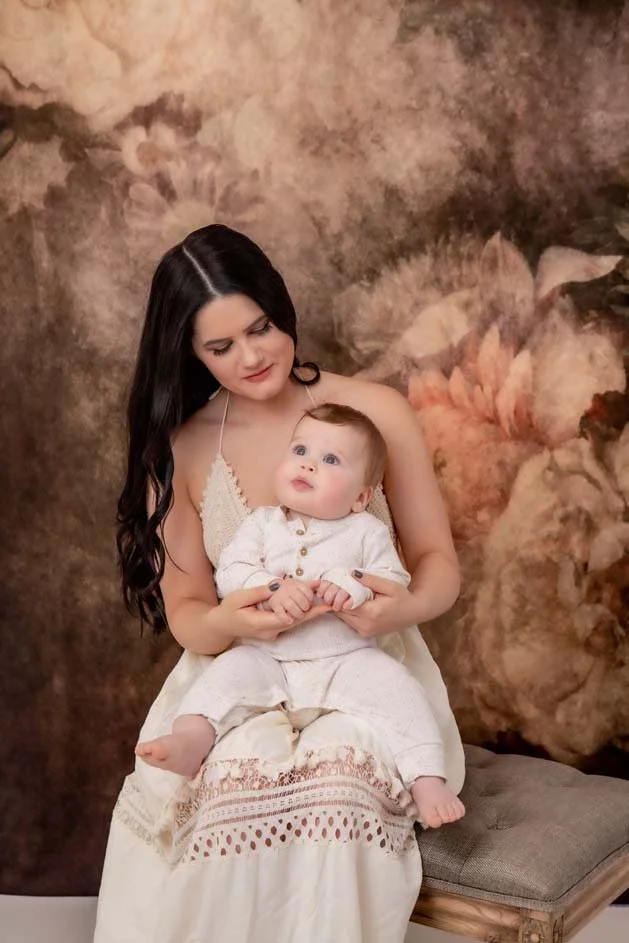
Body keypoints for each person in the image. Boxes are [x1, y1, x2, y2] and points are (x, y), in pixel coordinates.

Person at [94, 223, 465, 943]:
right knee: (233, 767)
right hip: (242, 669)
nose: (252, 356)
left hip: (362, 665)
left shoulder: (373, 413)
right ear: (189, 352)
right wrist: (234, 620)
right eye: (220, 347)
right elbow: (188, 612)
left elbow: (437, 563)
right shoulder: (182, 448)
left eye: (260, 327)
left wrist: (399, 608)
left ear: (280, 306)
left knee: (337, 773)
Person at [136, 402, 465, 829]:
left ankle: (427, 780)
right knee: (222, 679)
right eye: (300, 451)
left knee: (400, 693)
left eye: (330, 460)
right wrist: (269, 587)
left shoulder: (366, 531)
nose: (309, 465)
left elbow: (392, 578)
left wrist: (352, 584)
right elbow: (232, 571)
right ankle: (190, 741)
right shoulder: (262, 524)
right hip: (267, 655)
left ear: (360, 498)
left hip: (346, 658)